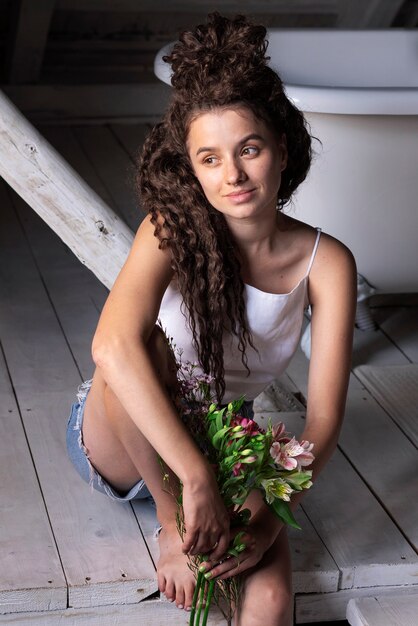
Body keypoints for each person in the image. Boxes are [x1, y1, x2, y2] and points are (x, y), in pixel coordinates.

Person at [66, 13, 356, 626]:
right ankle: (174, 527)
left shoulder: (327, 263)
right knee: (143, 348)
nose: (233, 174)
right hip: (125, 436)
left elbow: (324, 421)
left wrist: (271, 517)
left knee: (272, 592)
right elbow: (112, 350)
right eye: (210, 158)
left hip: (226, 439)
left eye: (248, 148)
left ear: (281, 147)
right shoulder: (169, 230)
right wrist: (189, 490)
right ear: (192, 170)